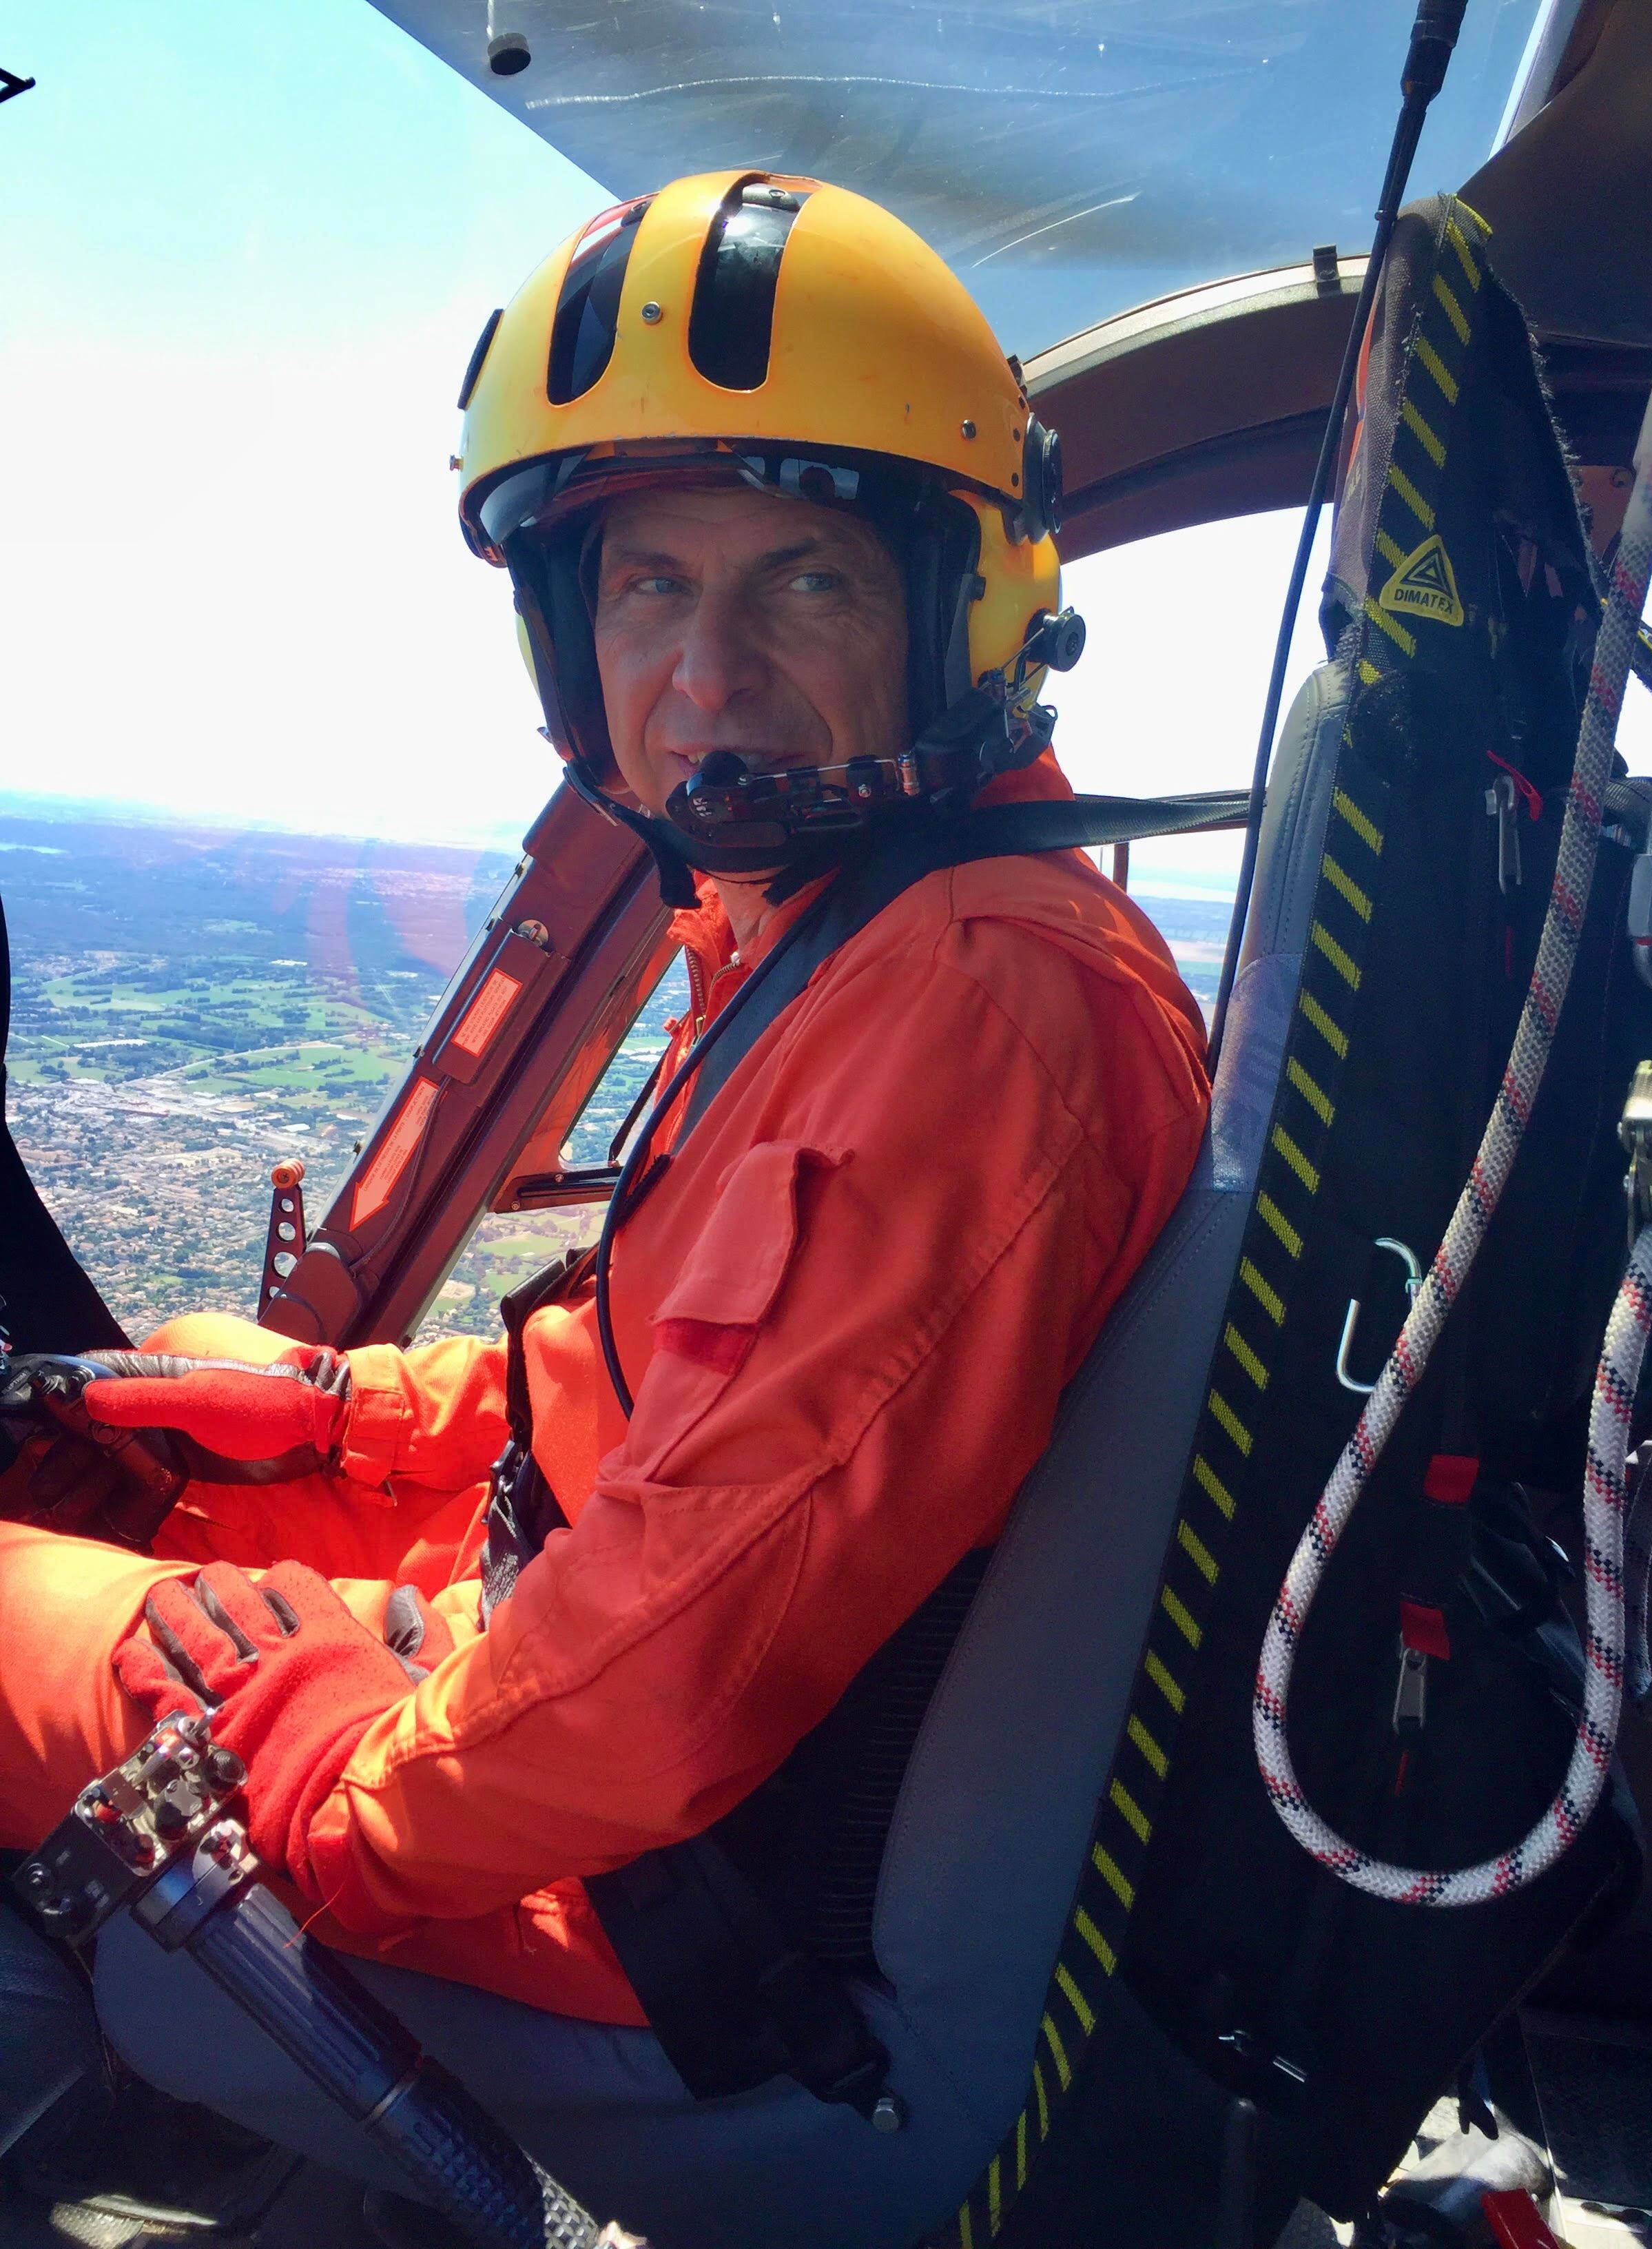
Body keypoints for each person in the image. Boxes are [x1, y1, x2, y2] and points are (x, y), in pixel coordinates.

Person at [0, 174, 1209, 2044]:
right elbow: (690, 1419)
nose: (705, 680)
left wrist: (327, 1774)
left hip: (674, 1899)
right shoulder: (857, 927)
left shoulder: (967, 1005)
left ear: (963, 607)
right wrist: (347, 1409)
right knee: (163, 1406)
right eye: (649, 585)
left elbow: (673, 1673)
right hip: (597, 1683)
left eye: (801, 578)